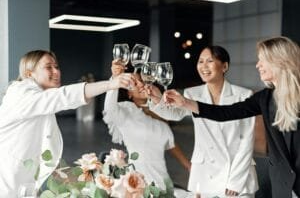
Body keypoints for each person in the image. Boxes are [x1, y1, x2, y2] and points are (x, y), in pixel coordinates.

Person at [163, 37, 300, 198]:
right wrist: (185, 102)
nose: (258, 65)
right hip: (282, 185)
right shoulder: (265, 98)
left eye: (262, 60)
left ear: (279, 61)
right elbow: (224, 113)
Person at [0, 50, 134, 197]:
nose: (56, 71)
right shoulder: (21, 94)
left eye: (56, 66)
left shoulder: (39, 98)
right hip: (8, 185)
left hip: (22, 184)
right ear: (29, 73)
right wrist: (111, 84)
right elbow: (64, 96)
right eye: (48, 67)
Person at [148, 46, 258, 197]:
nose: (203, 66)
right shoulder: (192, 93)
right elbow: (174, 114)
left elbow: (247, 140)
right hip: (205, 173)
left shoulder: (243, 95)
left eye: (209, 61)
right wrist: (156, 98)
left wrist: (235, 181)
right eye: (200, 61)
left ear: (224, 66)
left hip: (236, 173)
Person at [102, 60, 191, 195]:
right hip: (137, 184)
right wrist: (115, 79)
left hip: (163, 184)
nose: (141, 85)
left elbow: (171, 145)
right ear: (129, 94)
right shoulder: (126, 112)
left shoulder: (160, 116)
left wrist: (190, 167)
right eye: (134, 82)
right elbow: (109, 108)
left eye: (142, 81)